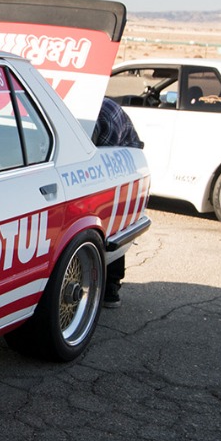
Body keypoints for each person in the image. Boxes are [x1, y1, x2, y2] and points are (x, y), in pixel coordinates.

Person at [91, 95, 144, 306]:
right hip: (116, 155)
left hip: (124, 162)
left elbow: (103, 157)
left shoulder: (104, 115)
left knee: (113, 224)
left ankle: (111, 286)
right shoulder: (86, 109)